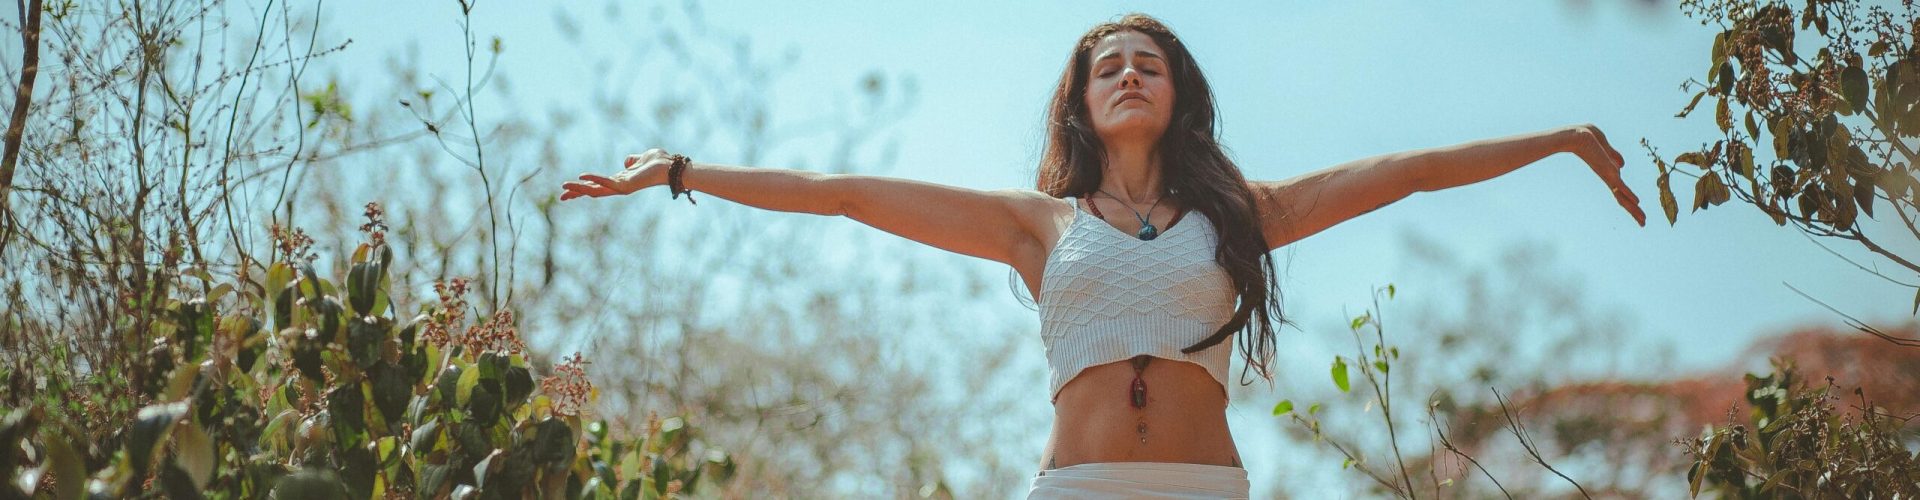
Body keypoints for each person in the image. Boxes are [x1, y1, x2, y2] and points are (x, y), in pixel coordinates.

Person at [560, 13, 1643, 499]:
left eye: (1150, 64)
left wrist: (1551, 141)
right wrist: (681, 170)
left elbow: (1407, 170)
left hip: (1203, 486)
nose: (1129, 75)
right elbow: (842, 194)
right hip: (1076, 486)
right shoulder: (1035, 223)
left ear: (1180, 94)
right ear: (1080, 100)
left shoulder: (1243, 214)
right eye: (1108, 66)